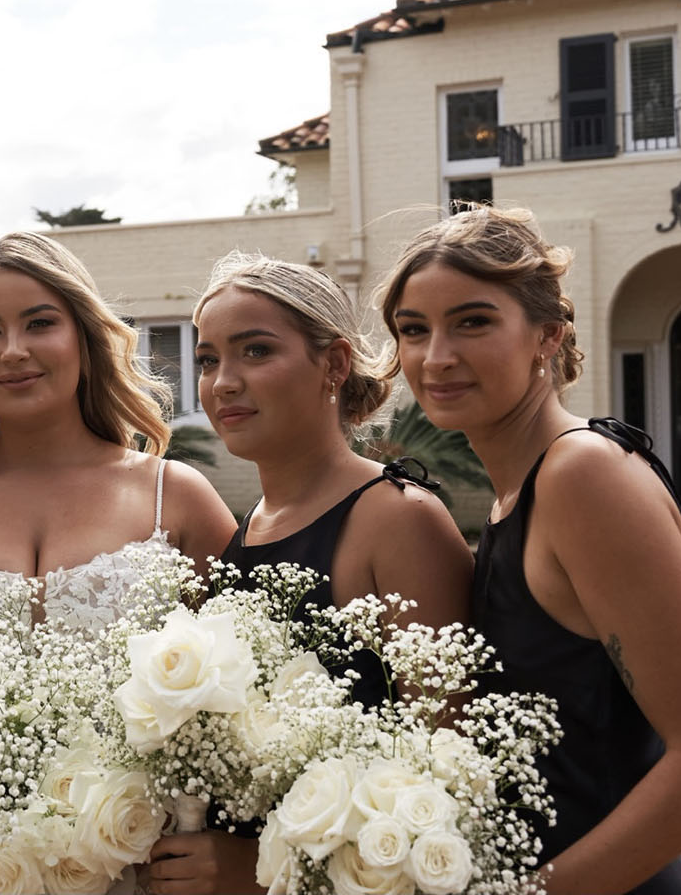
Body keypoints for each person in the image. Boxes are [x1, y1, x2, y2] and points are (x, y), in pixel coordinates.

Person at [378, 206, 681, 895]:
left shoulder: (584, 475)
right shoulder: (518, 494)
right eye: (413, 330)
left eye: (473, 321)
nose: (436, 357)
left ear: (547, 334)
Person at [139, 253, 472, 895]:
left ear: (335, 364)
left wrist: (262, 876)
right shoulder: (252, 523)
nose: (223, 382)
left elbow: (451, 785)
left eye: (256, 351)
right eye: (208, 360)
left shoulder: (397, 521)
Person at [0, 230, 236, 637]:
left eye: (40, 323)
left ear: (84, 343)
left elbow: (245, 671)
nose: (13, 351)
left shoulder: (176, 499)